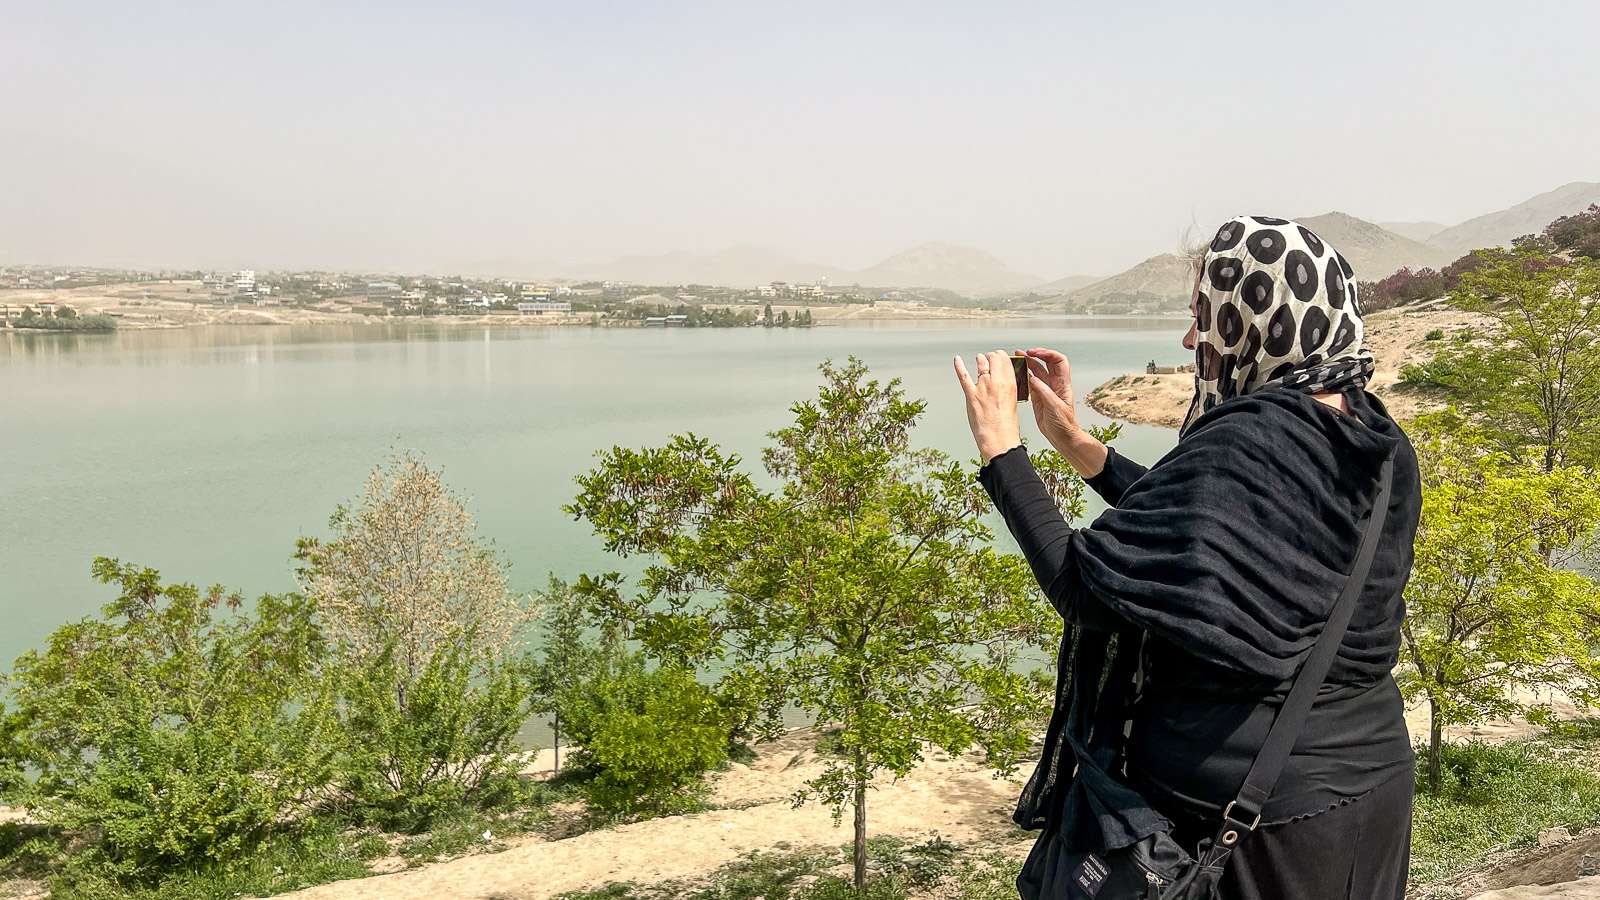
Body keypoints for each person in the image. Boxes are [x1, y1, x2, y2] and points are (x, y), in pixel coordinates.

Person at [952, 215, 1419, 900]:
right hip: (1368, 788)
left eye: (1203, 315)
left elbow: (1083, 588)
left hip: (1249, 818)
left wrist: (1001, 448)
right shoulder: (1371, 434)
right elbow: (1217, 537)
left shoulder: (1252, 438)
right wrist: (1077, 444)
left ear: (1254, 320)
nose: (1191, 339)